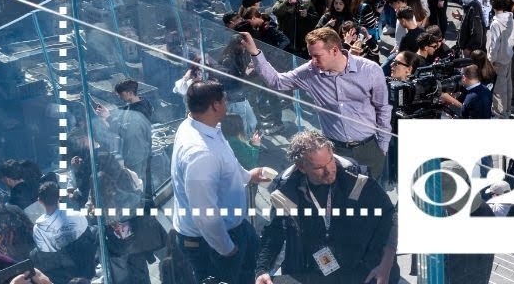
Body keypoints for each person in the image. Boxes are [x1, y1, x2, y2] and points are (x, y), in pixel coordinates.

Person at [244, 27, 391, 177]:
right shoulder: (310, 72)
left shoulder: (370, 70)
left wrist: (383, 146)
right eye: (311, 56)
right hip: (334, 151)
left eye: (317, 56)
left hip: (369, 148)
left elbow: (383, 108)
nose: (313, 61)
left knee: (371, 190)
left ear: (334, 50)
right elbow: (277, 82)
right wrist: (255, 53)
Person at [256, 132, 396, 284]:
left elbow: (390, 216)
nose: (329, 170)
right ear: (302, 167)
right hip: (311, 270)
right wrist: (262, 270)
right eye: (319, 167)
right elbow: (274, 232)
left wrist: (386, 264)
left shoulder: (357, 178)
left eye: (330, 161)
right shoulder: (286, 192)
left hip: (357, 267)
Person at [170, 81, 268, 284]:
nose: (227, 104)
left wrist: (248, 176)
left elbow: (225, 161)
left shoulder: (200, 127)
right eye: (225, 100)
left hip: (233, 228)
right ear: (215, 105)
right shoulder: (200, 154)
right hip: (212, 242)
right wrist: (227, 249)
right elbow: (205, 213)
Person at [485, 0, 514, 118]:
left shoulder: (495, 24)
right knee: (508, 84)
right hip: (508, 56)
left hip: (498, 60)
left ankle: (500, 114)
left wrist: (491, 59)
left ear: (492, 5)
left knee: (498, 89)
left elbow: (494, 45)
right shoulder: (510, 18)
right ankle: (507, 110)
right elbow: (513, 37)